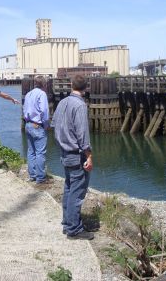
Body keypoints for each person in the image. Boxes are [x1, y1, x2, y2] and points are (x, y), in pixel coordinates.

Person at [52, 75, 94, 240]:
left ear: (71, 85)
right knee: (77, 192)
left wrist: (62, 143)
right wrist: (89, 156)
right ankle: (74, 229)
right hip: (76, 155)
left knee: (69, 188)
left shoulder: (63, 102)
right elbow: (83, 134)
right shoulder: (80, 105)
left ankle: (67, 222)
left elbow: (54, 124)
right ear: (86, 88)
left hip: (64, 152)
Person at [23, 75, 50, 184]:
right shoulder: (42, 94)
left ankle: (32, 175)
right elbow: (44, 110)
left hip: (28, 124)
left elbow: (24, 109)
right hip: (37, 125)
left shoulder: (28, 94)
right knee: (40, 152)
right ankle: (40, 178)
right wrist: (46, 123)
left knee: (31, 151)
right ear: (44, 84)